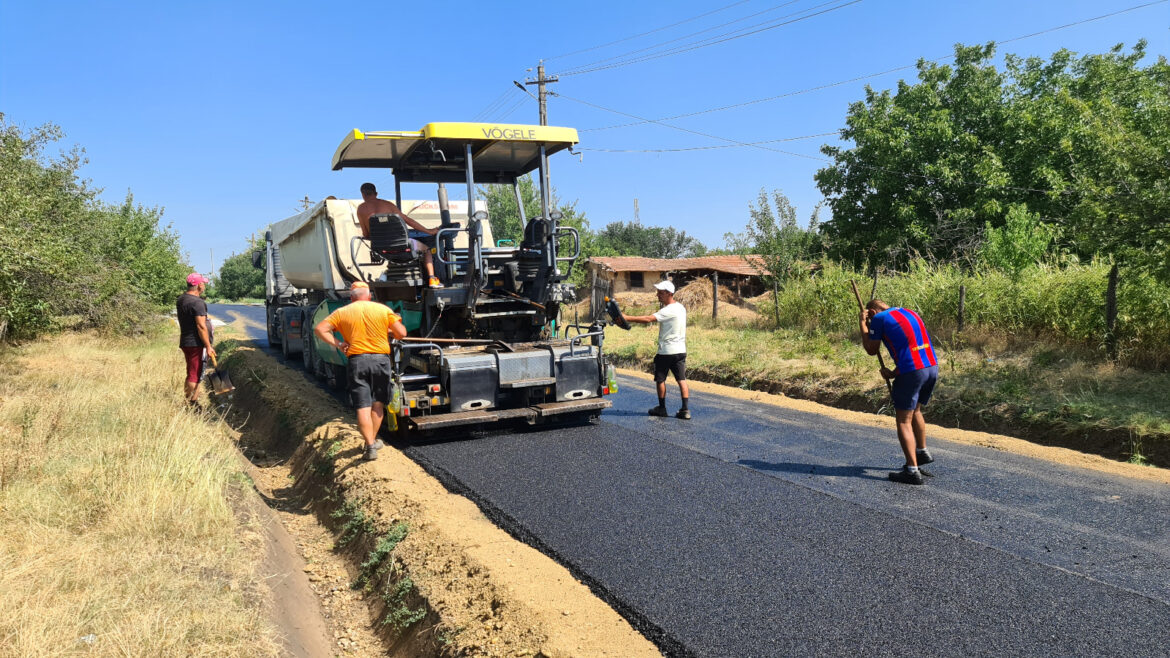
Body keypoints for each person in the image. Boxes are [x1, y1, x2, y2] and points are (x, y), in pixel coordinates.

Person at [314, 281, 408, 461]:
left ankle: (370, 445)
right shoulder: (382, 310)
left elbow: (320, 329)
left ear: (351, 297)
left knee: (363, 406)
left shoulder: (342, 312)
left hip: (357, 361)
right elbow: (401, 334)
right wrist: (388, 331)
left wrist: (339, 344)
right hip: (380, 361)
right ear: (369, 295)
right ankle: (371, 442)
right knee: (378, 404)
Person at [860, 299, 939, 485]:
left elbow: (871, 349)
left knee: (904, 419)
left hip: (913, 371)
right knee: (916, 410)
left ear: (871, 312)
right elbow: (914, 348)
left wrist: (862, 324)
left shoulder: (878, 318)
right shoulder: (910, 312)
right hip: (930, 367)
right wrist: (894, 372)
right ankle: (921, 452)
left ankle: (912, 471)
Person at [620, 280, 691, 419]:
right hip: (680, 350)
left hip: (666, 351)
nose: (657, 294)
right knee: (681, 380)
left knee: (660, 379)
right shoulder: (681, 307)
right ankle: (685, 409)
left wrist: (626, 317)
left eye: (661, 292)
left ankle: (662, 408)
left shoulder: (668, 310)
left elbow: (648, 319)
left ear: (669, 293)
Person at [356, 182, 442, 288]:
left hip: (382, 250)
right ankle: (432, 279)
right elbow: (408, 220)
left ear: (363, 194)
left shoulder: (361, 209)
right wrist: (429, 231)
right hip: (403, 247)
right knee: (427, 250)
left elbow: (365, 234)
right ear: (376, 193)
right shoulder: (388, 205)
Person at [177, 273, 215, 408]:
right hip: (196, 344)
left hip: (185, 341)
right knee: (195, 374)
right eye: (203, 283)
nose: (204, 285)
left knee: (193, 372)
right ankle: (189, 404)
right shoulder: (197, 303)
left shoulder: (181, 299)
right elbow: (201, 326)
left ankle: (193, 400)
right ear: (199, 285)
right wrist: (208, 346)